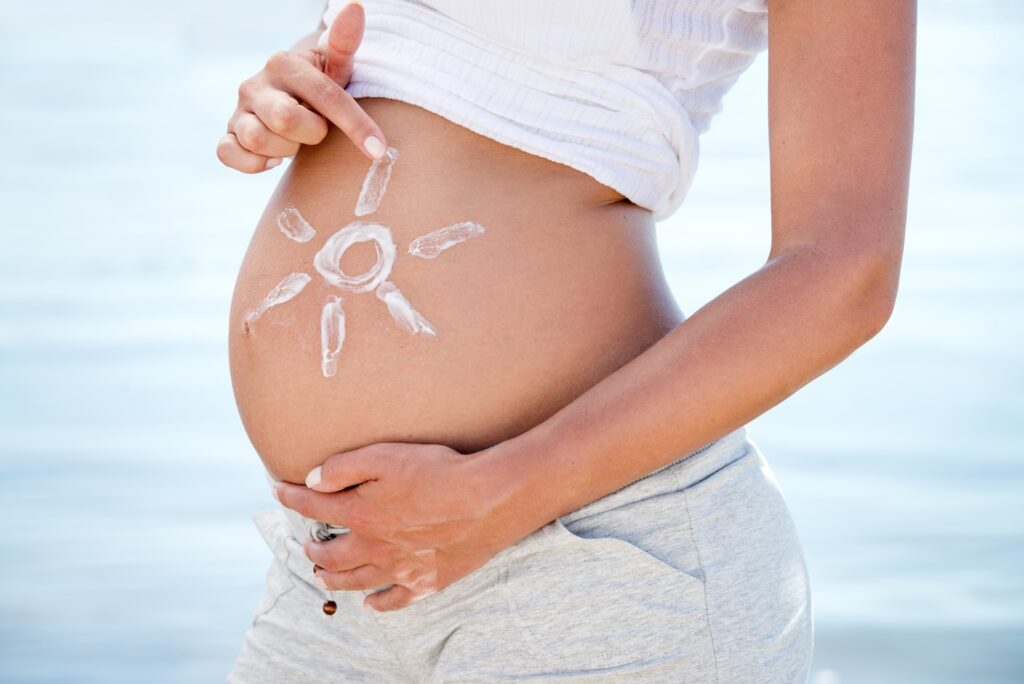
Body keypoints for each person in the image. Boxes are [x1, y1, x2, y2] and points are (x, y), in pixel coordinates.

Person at [220, 0, 915, 681]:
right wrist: (287, 91)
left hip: (598, 561)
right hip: (333, 575)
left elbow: (845, 272)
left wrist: (506, 491)